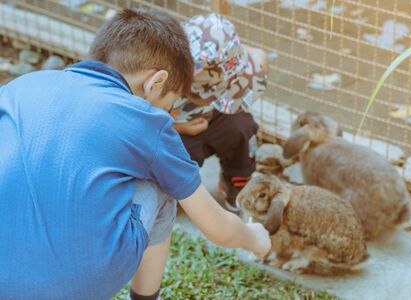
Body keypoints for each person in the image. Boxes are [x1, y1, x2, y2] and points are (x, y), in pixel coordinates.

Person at [0, 8, 271, 300]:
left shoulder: (21, 87)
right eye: (168, 105)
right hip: (76, 286)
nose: (166, 115)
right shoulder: (147, 122)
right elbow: (218, 229)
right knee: (163, 183)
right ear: (154, 83)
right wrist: (254, 238)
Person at [171, 13, 269, 212]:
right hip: (174, 127)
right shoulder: (161, 79)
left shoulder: (242, 57)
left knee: (241, 128)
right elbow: (139, 120)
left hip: (218, 118)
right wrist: (176, 126)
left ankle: (237, 178)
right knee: (172, 160)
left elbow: (259, 58)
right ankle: (174, 191)